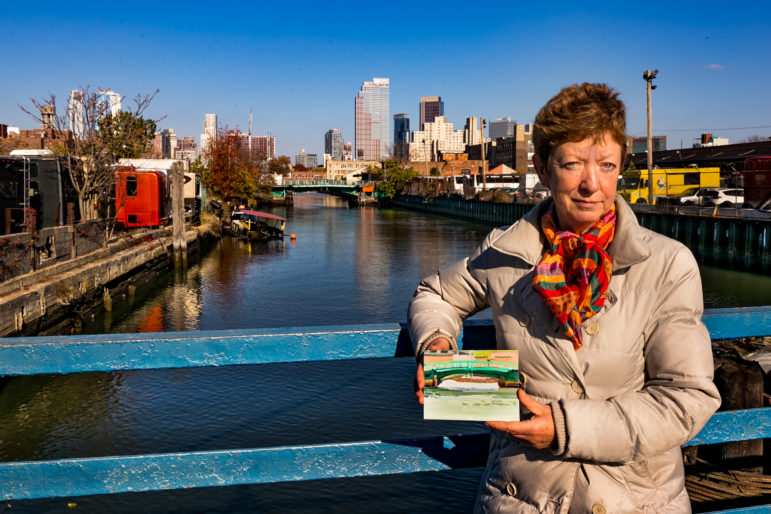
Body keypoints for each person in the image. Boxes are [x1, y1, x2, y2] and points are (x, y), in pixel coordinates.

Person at [409, 83, 720, 513]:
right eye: (573, 164)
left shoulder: (667, 264)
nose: (592, 184)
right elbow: (436, 294)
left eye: (607, 165)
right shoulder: (506, 252)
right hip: (522, 498)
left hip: (635, 499)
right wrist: (437, 344)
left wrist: (566, 427)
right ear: (543, 166)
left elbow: (687, 397)